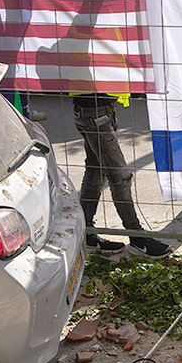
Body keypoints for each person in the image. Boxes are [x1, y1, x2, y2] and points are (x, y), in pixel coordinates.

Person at [74, 92, 171, 258]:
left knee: (95, 171)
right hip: (94, 114)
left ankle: (86, 234)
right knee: (120, 177)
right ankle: (137, 238)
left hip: (96, 110)